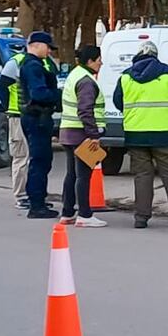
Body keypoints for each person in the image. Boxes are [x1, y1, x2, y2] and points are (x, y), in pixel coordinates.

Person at [113, 41, 168, 230]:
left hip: (135, 134)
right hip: (163, 133)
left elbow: (119, 102)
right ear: (155, 55)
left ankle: (141, 218)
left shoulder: (126, 76)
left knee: (142, 176)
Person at [0, 41, 58, 210]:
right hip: (19, 115)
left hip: (31, 113)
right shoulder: (16, 62)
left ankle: (34, 196)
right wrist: (8, 107)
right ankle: (21, 196)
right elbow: (1, 87)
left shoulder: (44, 62)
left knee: (36, 158)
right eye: (47, 46)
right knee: (22, 157)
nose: (49, 50)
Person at [59, 45, 107, 228]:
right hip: (82, 135)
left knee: (71, 174)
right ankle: (85, 215)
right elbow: (85, 110)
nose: (101, 62)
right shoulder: (86, 81)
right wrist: (93, 134)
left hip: (68, 132)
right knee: (83, 176)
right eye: (98, 59)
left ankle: (68, 212)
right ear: (90, 61)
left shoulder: (74, 75)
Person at [18, 31, 62, 219]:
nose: (49, 51)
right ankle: (36, 205)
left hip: (34, 117)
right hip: (37, 117)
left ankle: (38, 199)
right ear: (36, 45)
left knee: (41, 160)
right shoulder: (33, 66)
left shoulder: (32, 64)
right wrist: (60, 96)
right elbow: (39, 94)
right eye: (48, 47)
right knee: (40, 160)